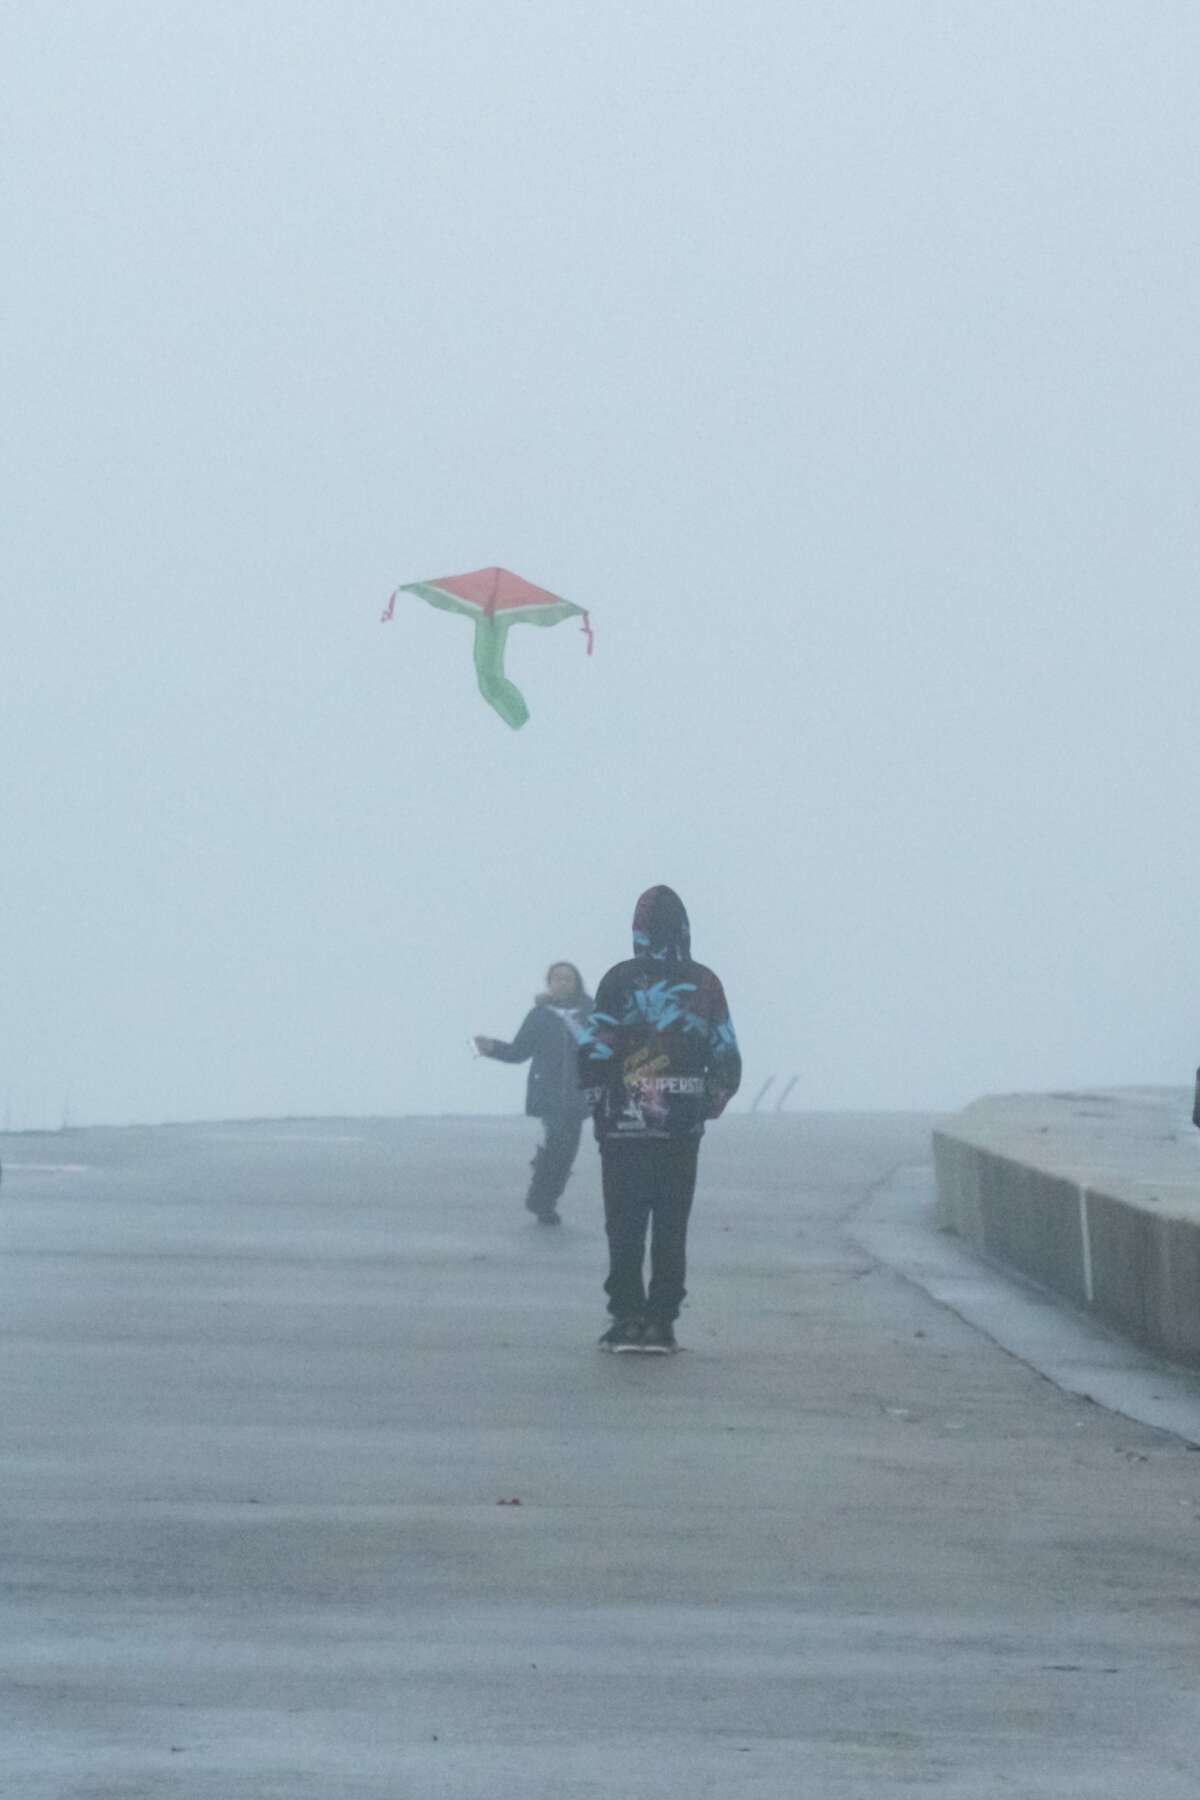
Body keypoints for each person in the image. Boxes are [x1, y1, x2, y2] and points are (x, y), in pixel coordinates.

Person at [577, 885, 741, 1352]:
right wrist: (706, 1104)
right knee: (671, 1223)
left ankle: (628, 1317)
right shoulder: (705, 982)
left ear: (637, 930)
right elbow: (726, 1054)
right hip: (680, 1128)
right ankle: (662, 1321)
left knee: (625, 1222)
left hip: (622, 1126)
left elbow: (595, 1049)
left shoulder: (619, 979)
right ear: (686, 929)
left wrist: (598, 1101)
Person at [474, 962, 594, 1224]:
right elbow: (519, 1051)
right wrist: (492, 1048)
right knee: (556, 1146)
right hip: (548, 1093)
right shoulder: (540, 1015)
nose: (562, 983)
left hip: (578, 1094)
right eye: (557, 978)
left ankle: (544, 1198)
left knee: (565, 1153)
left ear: (577, 983)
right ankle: (542, 1201)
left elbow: (605, 1051)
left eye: (568, 978)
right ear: (549, 983)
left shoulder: (590, 1013)